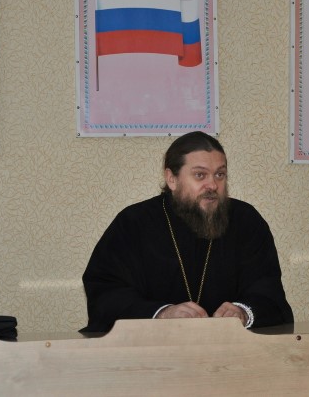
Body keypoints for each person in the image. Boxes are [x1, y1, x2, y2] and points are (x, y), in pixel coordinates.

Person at [81, 131, 294, 332]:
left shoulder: (246, 220)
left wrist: (243, 312)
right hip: (149, 351)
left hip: (230, 351)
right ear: (171, 179)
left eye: (220, 174)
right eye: (200, 175)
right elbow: (106, 294)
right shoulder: (133, 223)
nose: (213, 185)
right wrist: (162, 314)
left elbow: (268, 292)